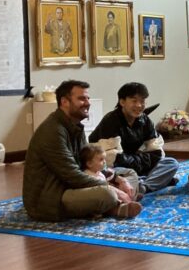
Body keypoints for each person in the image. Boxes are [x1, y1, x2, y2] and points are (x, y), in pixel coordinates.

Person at [23, 80, 141, 221]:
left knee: (129, 174)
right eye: (81, 99)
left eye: (88, 98)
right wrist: (112, 188)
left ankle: (113, 204)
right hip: (52, 197)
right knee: (107, 194)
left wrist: (118, 179)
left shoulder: (75, 126)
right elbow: (72, 175)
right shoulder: (52, 131)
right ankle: (115, 206)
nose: (87, 103)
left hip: (75, 184)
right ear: (64, 102)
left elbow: (89, 161)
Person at [89, 82, 180, 192]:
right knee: (118, 174)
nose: (139, 105)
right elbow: (113, 159)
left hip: (135, 164)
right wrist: (142, 160)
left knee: (171, 163)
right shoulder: (111, 121)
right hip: (112, 167)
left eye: (142, 101)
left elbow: (157, 153)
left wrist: (140, 161)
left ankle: (143, 186)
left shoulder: (145, 120)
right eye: (134, 101)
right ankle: (151, 181)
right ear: (122, 102)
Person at [79, 144, 142, 218]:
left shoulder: (100, 172)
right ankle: (123, 207)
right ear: (89, 164)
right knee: (111, 194)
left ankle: (130, 197)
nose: (104, 162)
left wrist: (120, 183)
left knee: (124, 180)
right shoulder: (87, 175)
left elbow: (112, 175)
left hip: (109, 193)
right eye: (101, 160)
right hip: (103, 198)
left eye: (104, 159)